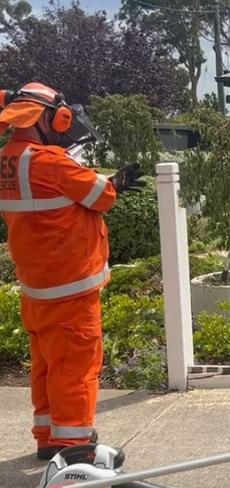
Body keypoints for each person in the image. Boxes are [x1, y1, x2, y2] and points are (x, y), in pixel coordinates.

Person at [0, 82, 145, 460]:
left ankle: (49, 439)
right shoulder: (51, 162)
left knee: (47, 366)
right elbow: (101, 196)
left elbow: (59, 199)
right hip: (70, 287)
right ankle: (76, 448)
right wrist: (114, 181)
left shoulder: (7, 162)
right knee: (76, 368)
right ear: (50, 117)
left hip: (37, 288)